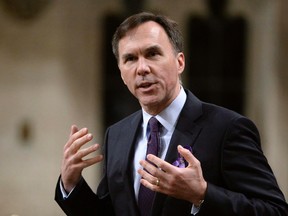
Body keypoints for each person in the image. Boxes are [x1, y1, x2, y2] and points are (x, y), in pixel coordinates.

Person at [55, 11, 288, 216]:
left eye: (153, 54)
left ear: (179, 62)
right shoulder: (117, 134)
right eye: (130, 59)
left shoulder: (228, 128)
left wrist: (202, 194)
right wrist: (71, 185)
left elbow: (274, 210)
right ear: (121, 73)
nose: (142, 68)